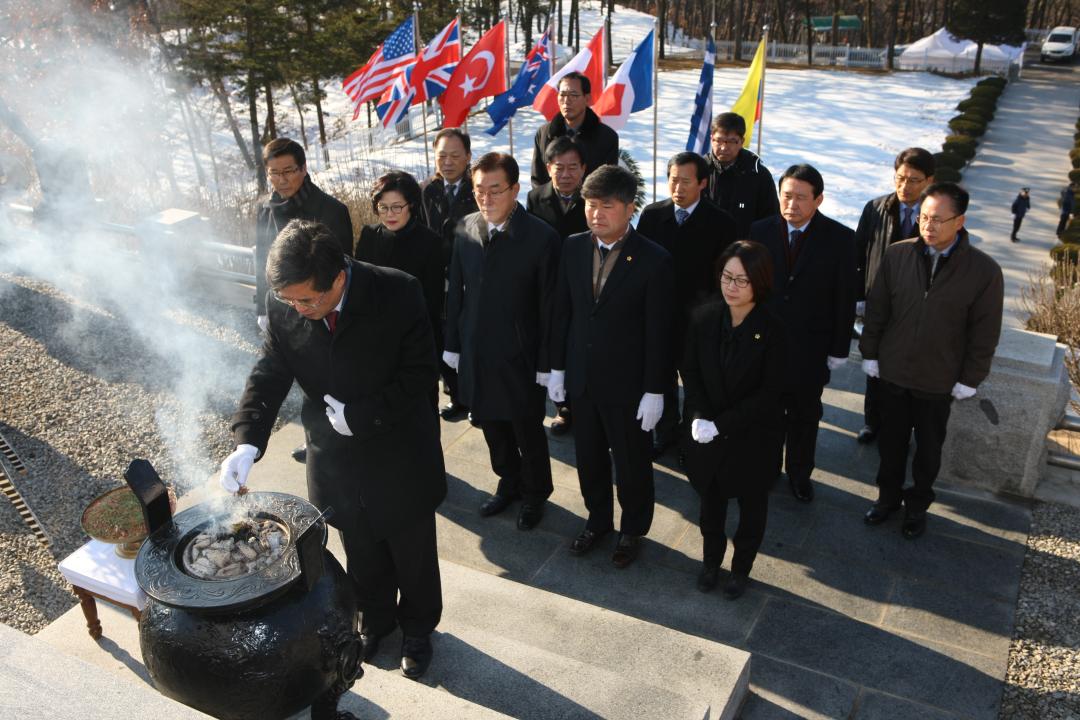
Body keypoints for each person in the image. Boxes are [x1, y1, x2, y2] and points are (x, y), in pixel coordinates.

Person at [219, 219, 445, 679]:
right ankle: (375, 620)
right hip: (335, 458)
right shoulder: (286, 302)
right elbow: (270, 371)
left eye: (308, 300)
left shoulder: (398, 291)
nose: (298, 308)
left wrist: (363, 415)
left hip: (398, 450)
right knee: (359, 548)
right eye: (289, 300)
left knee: (412, 551)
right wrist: (247, 442)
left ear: (338, 277)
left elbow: (421, 373)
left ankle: (419, 629)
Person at [860, 182, 1003, 539]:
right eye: (924, 217)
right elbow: (878, 310)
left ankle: (917, 507)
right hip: (892, 372)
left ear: (960, 221)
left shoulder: (984, 272)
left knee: (927, 451)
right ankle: (887, 499)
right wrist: (871, 353)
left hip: (938, 380)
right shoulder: (898, 255)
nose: (929, 226)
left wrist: (970, 378)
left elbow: (984, 333)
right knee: (890, 445)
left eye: (938, 219)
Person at [548, 165, 674, 569]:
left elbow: (660, 331)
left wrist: (656, 389)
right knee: (589, 459)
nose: (596, 213)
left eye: (607, 205)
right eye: (590, 204)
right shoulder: (572, 247)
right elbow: (562, 313)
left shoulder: (654, 260)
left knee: (632, 464)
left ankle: (632, 530)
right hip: (582, 380)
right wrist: (556, 369)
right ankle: (597, 520)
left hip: (629, 385)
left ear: (630, 208)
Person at [444, 152, 559, 530]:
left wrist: (547, 362)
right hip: (478, 348)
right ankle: (507, 481)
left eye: (496, 190)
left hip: (520, 353)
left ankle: (535, 493)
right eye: (480, 190)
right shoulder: (465, 228)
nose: (487, 198)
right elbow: (456, 294)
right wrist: (453, 344)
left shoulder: (540, 237)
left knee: (526, 428)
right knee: (490, 423)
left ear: (515, 189)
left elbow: (549, 306)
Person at [681, 240, 785, 600]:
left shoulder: (775, 327)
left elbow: (771, 393)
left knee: (752, 510)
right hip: (709, 435)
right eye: (727, 277)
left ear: (760, 282)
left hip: (753, 436)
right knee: (710, 506)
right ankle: (711, 564)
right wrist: (697, 415)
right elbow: (691, 372)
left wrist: (721, 424)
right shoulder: (705, 317)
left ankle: (741, 570)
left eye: (742, 280)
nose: (732, 287)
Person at [750, 164, 856, 504]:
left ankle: (799, 474)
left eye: (800, 198)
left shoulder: (840, 238)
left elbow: (844, 297)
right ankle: (764, 472)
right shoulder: (759, 230)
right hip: (765, 345)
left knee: (804, 417)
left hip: (810, 348)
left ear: (818, 199)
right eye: (786, 196)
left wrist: (839, 348)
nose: (791, 205)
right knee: (765, 415)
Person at [255, 138, 354, 465]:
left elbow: (343, 267)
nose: (281, 180)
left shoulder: (331, 210)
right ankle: (317, 439)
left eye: (288, 172)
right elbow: (261, 260)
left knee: (333, 374)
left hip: (321, 307)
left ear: (303, 168)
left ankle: (346, 434)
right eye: (274, 173)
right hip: (284, 308)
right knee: (303, 377)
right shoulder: (265, 209)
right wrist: (262, 308)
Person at [638, 151, 737, 458]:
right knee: (661, 376)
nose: (678, 188)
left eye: (685, 181)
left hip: (701, 320)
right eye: (673, 180)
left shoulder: (722, 223)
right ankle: (664, 432)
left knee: (697, 382)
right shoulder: (653, 216)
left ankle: (690, 439)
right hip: (660, 317)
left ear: (703, 183)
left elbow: (727, 276)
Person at [853, 147, 935, 445]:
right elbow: (858, 255)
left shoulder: (934, 216)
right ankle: (872, 422)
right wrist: (859, 294)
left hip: (916, 305)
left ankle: (902, 426)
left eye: (914, 180)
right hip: (879, 301)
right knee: (874, 364)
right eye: (900, 178)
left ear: (928, 181)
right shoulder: (875, 209)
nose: (905, 186)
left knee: (907, 366)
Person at [355, 171, 444, 405]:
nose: (389, 214)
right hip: (375, 341)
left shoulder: (431, 242)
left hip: (416, 341)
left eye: (397, 207)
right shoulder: (369, 235)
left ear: (411, 205)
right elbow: (359, 287)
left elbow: (433, 302)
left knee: (422, 409)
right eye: (382, 208)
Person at [527, 136, 589, 437]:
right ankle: (562, 407)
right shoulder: (535, 198)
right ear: (548, 167)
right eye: (559, 167)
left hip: (585, 284)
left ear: (584, 169)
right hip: (548, 284)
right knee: (553, 342)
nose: (566, 175)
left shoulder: (593, 199)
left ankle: (583, 403)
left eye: (573, 168)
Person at [420, 128, 479, 421]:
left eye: (455, 155)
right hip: (435, 278)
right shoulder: (426, 191)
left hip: (470, 277)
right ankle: (458, 396)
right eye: (442, 155)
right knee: (442, 337)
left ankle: (475, 397)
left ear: (468, 157)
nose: (448, 162)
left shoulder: (477, 190)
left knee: (470, 338)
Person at [530, 72, 619, 187]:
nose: (566, 101)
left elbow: (608, 183)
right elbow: (538, 179)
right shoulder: (544, 134)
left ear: (587, 98)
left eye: (573, 95)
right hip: (549, 203)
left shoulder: (607, 137)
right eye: (562, 95)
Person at [703, 112, 780, 238]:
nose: (724, 147)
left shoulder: (758, 174)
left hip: (744, 250)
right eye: (719, 140)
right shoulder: (699, 170)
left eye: (732, 141)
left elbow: (771, 219)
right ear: (711, 138)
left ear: (742, 141)